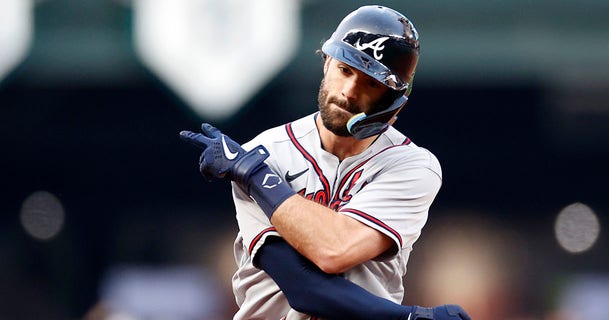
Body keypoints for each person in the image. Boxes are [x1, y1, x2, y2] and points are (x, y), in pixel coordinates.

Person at [180, 5, 471, 320]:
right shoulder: (266, 152)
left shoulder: (411, 165)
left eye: (371, 83)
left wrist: (256, 176)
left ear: (393, 99)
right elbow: (304, 287)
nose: (348, 92)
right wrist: (409, 318)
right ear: (326, 63)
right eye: (345, 70)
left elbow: (336, 248)